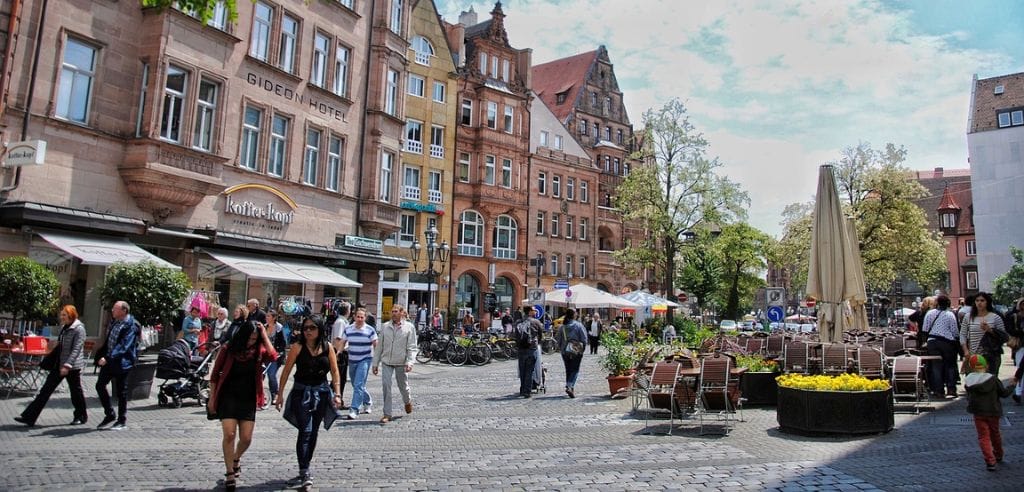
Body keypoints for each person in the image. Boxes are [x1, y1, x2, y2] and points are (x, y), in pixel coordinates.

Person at [208, 313, 276, 491]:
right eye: (250, 338)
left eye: (255, 339)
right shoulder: (228, 349)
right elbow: (214, 375)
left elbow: (273, 356)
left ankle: (236, 457)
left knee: (246, 438)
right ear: (243, 335)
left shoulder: (257, 351)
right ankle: (230, 472)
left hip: (248, 397)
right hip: (228, 396)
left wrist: (264, 335)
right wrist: (211, 399)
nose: (251, 342)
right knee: (229, 435)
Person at [274, 315, 342, 489]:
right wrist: (279, 394)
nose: (308, 331)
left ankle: (305, 465)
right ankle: (304, 470)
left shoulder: (328, 347)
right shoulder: (297, 347)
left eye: (312, 328)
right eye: (305, 328)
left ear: (319, 329)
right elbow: (286, 371)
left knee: (314, 432)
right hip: (301, 392)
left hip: (321, 392)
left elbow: (335, 372)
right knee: (306, 430)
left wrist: (338, 393)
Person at [15, 305, 88, 427]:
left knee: (76, 392)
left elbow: (76, 349)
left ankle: (81, 416)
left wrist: (67, 365)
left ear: (71, 315)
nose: (62, 317)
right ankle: (29, 417)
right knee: (45, 390)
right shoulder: (65, 327)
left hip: (72, 367)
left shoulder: (79, 329)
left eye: (64, 315)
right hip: (58, 364)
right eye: (62, 314)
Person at [93, 301, 141, 430]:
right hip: (110, 361)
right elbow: (110, 341)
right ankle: (110, 414)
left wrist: (108, 358)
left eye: (115, 309)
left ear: (124, 311)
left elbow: (124, 345)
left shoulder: (131, 325)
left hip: (123, 362)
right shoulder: (115, 322)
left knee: (121, 392)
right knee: (99, 385)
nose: (112, 311)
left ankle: (121, 420)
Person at [964, 354, 1013, 471]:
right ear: (986, 365)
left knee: (983, 437)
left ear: (971, 366)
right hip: (993, 411)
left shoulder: (969, 380)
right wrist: (1012, 386)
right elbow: (1004, 393)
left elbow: (968, 396)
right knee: (995, 433)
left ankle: (990, 461)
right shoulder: (993, 379)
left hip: (978, 412)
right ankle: (998, 454)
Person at [372, 306, 417, 424]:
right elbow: (379, 346)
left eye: (396, 311)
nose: (393, 314)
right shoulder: (385, 326)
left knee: (403, 386)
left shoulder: (409, 327)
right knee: (386, 385)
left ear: (402, 313)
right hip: (386, 361)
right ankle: (387, 413)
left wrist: (410, 362)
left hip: (401, 362)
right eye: (392, 311)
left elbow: (412, 347)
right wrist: (375, 363)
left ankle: (407, 401)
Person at [960, 292, 1009, 376]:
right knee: (974, 381)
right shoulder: (968, 317)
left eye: (982, 300)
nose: (979, 303)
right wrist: (965, 350)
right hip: (973, 354)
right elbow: (963, 334)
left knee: (989, 381)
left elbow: (1004, 336)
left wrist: (990, 330)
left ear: (987, 302)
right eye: (977, 300)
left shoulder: (995, 317)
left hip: (990, 354)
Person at [922, 295, 960, 399]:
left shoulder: (930, 313)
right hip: (947, 342)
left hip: (933, 342)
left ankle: (938, 390)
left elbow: (925, 329)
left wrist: (925, 342)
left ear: (937, 303)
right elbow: (955, 331)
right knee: (950, 366)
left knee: (936, 367)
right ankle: (951, 389)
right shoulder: (950, 314)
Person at [342, 308, 378, 419]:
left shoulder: (370, 330)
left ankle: (354, 409)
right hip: (352, 360)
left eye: (362, 317)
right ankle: (367, 402)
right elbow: (342, 342)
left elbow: (376, 344)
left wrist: (376, 361)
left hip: (365, 359)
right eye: (358, 317)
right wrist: (338, 352)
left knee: (358, 385)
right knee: (356, 384)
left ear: (365, 318)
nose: (360, 319)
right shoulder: (348, 329)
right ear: (354, 317)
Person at [555, 308, 588, 398]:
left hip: (565, 351)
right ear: (573, 315)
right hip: (576, 350)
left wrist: (561, 348)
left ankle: (570, 387)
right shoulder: (578, 325)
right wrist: (582, 349)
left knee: (568, 369)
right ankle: (569, 386)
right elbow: (584, 339)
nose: (577, 314)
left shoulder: (562, 326)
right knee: (575, 369)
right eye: (576, 313)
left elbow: (558, 339)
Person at [513, 306, 542, 398]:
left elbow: (515, 335)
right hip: (532, 348)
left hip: (521, 349)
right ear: (529, 312)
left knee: (522, 370)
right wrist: (537, 343)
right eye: (534, 310)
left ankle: (522, 390)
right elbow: (540, 335)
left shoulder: (518, 322)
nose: (535, 312)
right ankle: (527, 391)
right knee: (530, 371)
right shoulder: (536, 322)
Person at [263, 310, 287, 410]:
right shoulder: (264, 327)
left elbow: (283, 342)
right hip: (264, 355)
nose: (266, 318)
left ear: (274, 318)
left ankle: (275, 394)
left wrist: (280, 352)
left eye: (268, 316)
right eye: (266, 316)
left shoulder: (279, 328)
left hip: (275, 355)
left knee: (271, 375)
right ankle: (261, 395)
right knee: (262, 374)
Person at [330, 301, 351, 408]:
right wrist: (338, 354)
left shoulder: (344, 321)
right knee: (337, 378)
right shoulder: (340, 322)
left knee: (342, 378)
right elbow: (338, 339)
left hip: (343, 352)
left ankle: (339, 400)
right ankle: (330, 400)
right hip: (339, 353)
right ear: (347, 311)